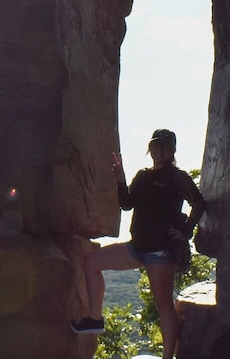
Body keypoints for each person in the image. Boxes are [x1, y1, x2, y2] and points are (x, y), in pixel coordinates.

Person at [73, 129, 207, 359]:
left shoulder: (177, 177)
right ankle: (94, 319)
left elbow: (199, 203)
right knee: (92, 262)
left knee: (163, 305)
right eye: (156, 145)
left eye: (165, 146)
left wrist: (185, 230)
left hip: (161, 252)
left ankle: (167, 357)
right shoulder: (143, 176)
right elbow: (127, 204)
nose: (160, 150)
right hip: (138, 247)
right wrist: (120, 180)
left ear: (172, 151)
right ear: (150, 148)